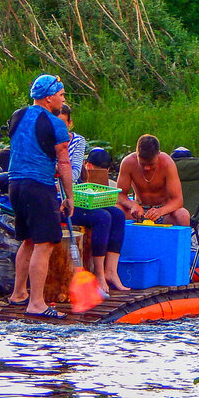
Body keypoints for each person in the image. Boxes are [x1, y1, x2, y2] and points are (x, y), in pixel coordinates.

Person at [7, 74, 73, 318]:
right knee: (44, 244)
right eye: (61, 95)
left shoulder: (17, 115)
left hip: (15, 184)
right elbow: (64, 163)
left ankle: (18, 294)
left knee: (28, 241)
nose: (63, 99)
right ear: (48, 98)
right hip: (39, 186)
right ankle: (37, 304)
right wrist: (70, 196)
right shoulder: (56, 123)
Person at [56, 104, 128, 295]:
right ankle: (99, 274)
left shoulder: (77, 141)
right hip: (55, 200)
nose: (60, 128)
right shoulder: (46, 140)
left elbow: (74, 172)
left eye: (63, 123)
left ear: (70, 124)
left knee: (117, 215)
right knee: (102, 217)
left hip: (74, 196)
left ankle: (111, 271)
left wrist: (61, 174)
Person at [117, 134, 190, 226]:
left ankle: (184, 240)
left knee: (182, 214)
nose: (147, 168)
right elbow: (120, 195)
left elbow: (178, 200)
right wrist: (132, 205)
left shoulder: (167, 163)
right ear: (137, 154)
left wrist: (160, 211)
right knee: (116, 210)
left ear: (158, 154)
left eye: (151, 164)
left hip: (163, 211)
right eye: (143, 164)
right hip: (139, 210)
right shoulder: (128, 163)